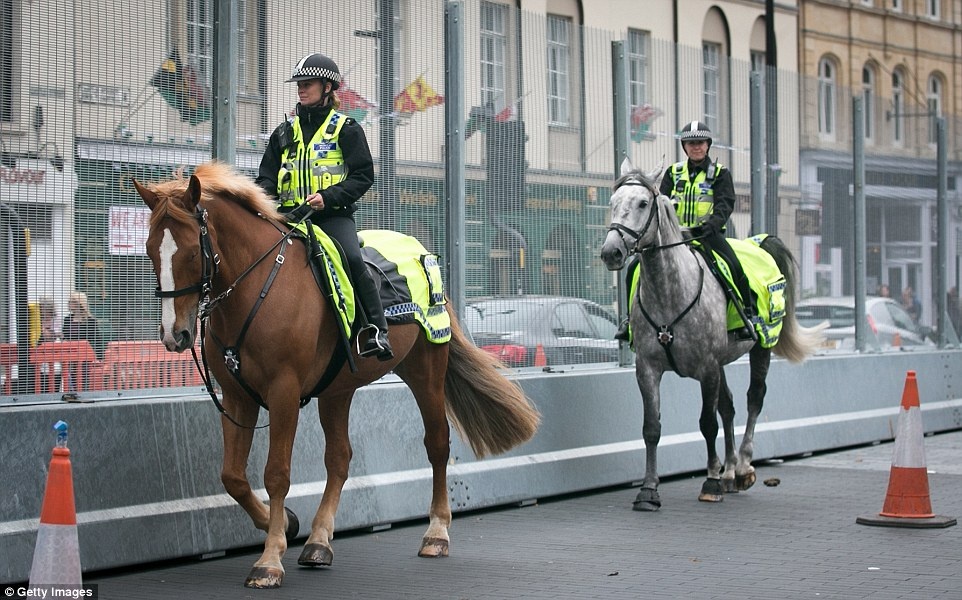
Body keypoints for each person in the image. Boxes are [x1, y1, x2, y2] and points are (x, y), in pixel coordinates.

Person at [255, 52, 393, 360]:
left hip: (331, 218)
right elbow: (266, 180)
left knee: (352, 259)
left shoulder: (347, 129)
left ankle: (375, 329)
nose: (301, 89)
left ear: (328, 87)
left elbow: (363, 176)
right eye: (299, 84)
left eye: (308, 83)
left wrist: (328, 197)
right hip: (288, 218)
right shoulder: (283, 132)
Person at [62, 291, 105, 360]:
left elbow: (97, 341)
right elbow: (65, 337)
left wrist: (99, 359)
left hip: (85, 356)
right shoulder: (67, 319)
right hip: (69, 355)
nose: (68, 304)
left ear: (78, 303)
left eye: (71, 302)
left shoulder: (90, 321)